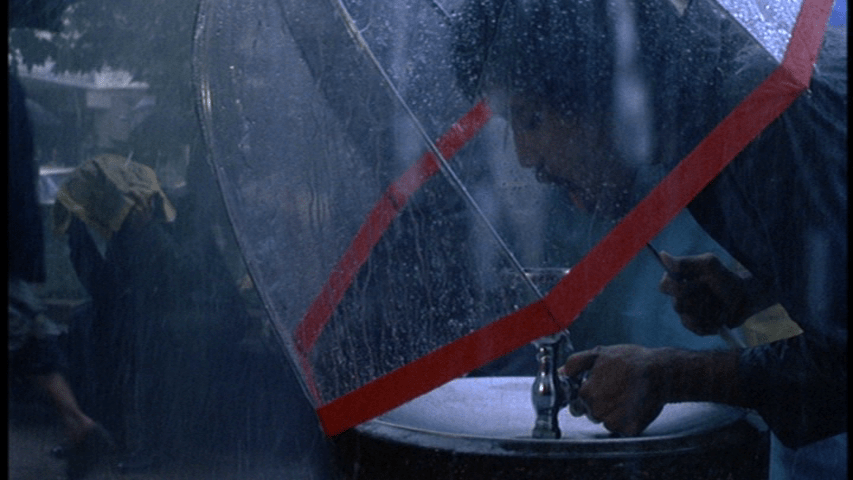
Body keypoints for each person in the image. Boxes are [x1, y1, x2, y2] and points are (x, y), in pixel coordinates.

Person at [451, 0, 846, 477]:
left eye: (532, 120)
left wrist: (668, 374)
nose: (525, 157)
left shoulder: (765, 113)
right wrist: (753, 291)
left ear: (595, 84)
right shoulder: (700, 111)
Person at [9, 65, 115, 480]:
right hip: (14, 243)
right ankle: (79, 425)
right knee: (26, 329)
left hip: (11, 239)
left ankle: (79, 425)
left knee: (22, 328)